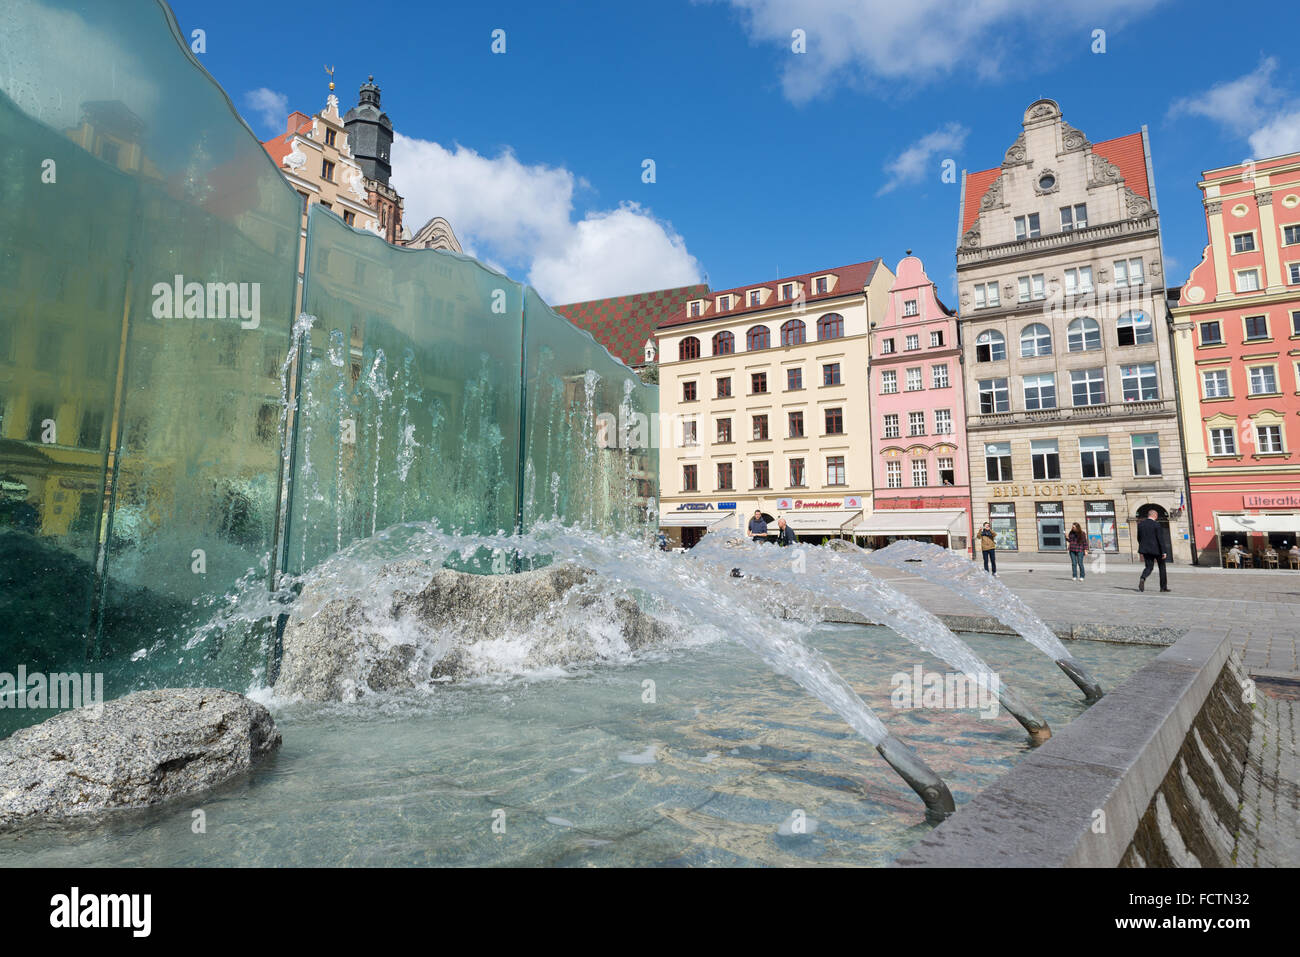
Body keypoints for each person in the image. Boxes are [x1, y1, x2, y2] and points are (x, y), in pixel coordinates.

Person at [1136, 509, 1169, 593]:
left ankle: (1143, 578)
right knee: (1162, 568)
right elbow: (1160, 539)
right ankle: (1163, 587)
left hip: (1146, 550)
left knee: (1149, 567)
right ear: (1155, 515)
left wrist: (1143, 546)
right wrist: (1164, 551)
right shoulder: (1156, 525)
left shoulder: (1140, 525)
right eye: (1156, 516)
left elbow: (1139, 538)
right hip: (1157, 550)